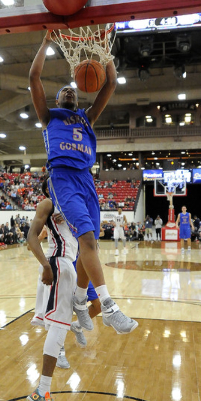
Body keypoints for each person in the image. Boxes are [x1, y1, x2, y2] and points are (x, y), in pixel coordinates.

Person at [29, 30, 138, 335]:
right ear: (57, 99)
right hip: (63, 178)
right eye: (65, 91)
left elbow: (111, 83)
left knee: (88, 246)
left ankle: (79, 299)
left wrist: (106, 53)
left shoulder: (87, 118)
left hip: (87, 180)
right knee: (88, 240)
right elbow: (34, 77)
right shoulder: (48, 116)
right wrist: (46, 43)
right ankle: (108, 306)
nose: (70, 93)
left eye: (73, 91)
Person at [27, 179, 78, 401]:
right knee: (59, 326)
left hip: (64, 265)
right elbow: (31, 237)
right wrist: (46, 266)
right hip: (56, 263)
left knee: (58, 326)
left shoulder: (68, 207)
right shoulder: (48, 203)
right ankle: (42, 391)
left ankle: (44, 389)